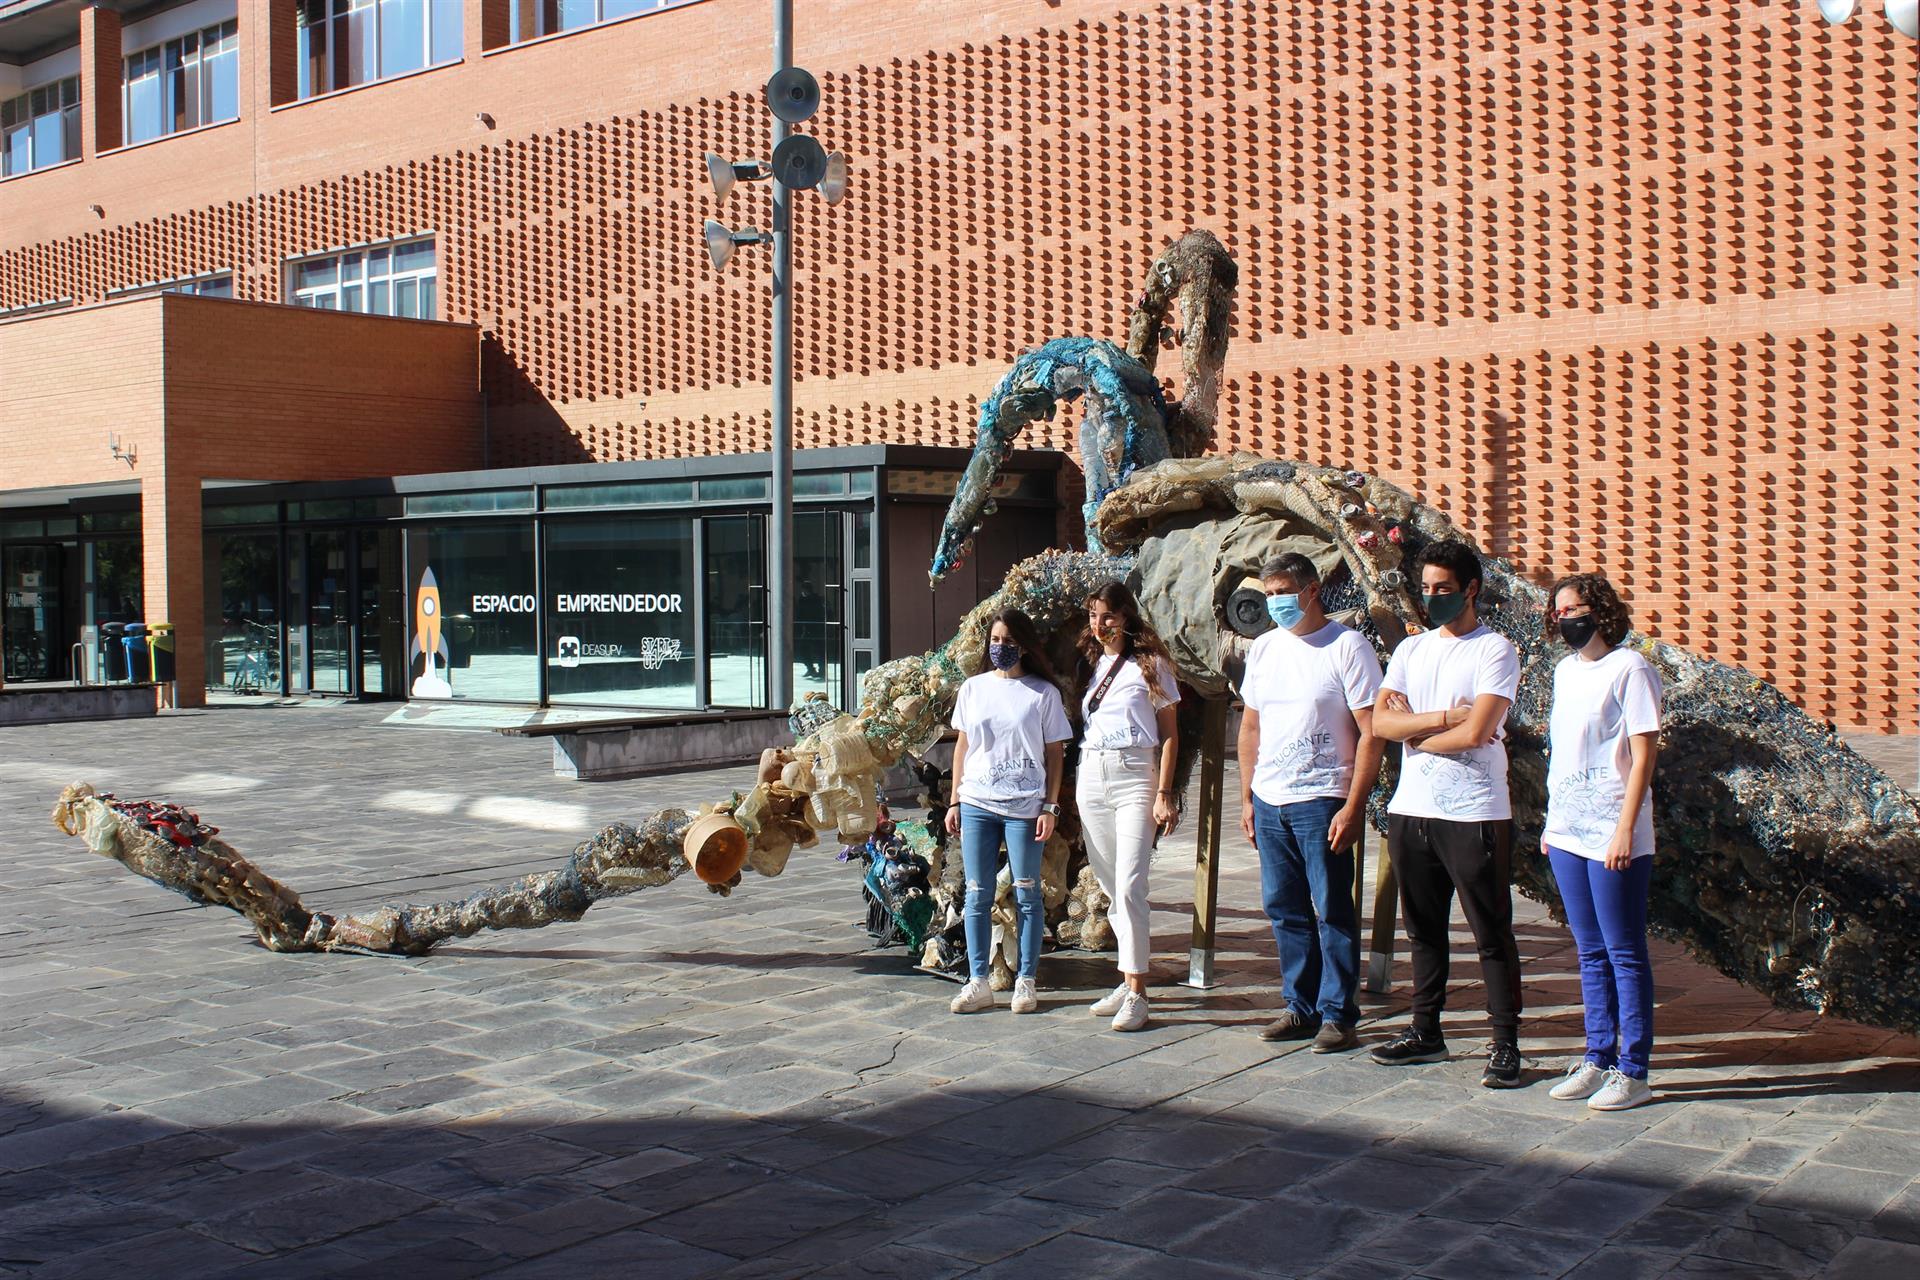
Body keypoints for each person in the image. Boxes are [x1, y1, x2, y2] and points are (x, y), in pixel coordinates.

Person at [1370, 539, 1526, 1088]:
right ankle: (1425, 1031)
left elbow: (1480, 729)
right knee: (1424, 930)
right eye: (1427, 589)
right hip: (1412, 810)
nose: (1433, 598)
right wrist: (1440, 721)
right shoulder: (1412, 651)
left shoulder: (1494, 650)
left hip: (1473, 811)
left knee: (1490, 932)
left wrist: (1422, 736)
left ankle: (1505, 1043)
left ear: (1471, 589)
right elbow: (1381, 726)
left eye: (1444, 589)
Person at [1237, 553, 1384, 1053]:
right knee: (1284, 909)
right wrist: (1248, 797)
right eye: (1268, 592)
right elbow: (1251, 727)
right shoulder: (1263, 650)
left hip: (1322, 799)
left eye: (1283, 592)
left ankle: (1338, 1013)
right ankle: (1299, 1006)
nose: (1274, 602)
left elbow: (1372, 732)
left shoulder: (1347, 647)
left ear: (1311, 590)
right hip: (1271, 798)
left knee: (1332, 910)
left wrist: (1353, 804)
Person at [1541, 573, 1662, 1112]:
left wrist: (1624, 829)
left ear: (1602, 611)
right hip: (1567, 830)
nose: (1569, 618)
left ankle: (1633, 1071)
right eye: (1560, 610)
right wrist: (1551, 824)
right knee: (1589, 952)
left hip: (1615, 833)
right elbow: (1563, 752)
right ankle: (1598, 1056)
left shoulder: (1630, 668)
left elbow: (1643, 756)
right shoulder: (1565, 672)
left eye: (1577, 607)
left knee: (1623, 952)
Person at [944, 608, 1071, 1015]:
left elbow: (1055, 754)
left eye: (1009, 641)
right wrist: (955, 799)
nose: (1001, 648)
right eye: (995, 641)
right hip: (977, 803)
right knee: (977, 895)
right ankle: (977, 981)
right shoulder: (973, 689)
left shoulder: (1042, 694)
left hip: (1025, 807)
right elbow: (963, 746)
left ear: (1026, 645)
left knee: (1028, 894)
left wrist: (1050, 806)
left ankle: (1026, 980)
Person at [1074, 581, 1181, 1032]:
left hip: (1136, 773)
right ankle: (1126, 975)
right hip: (1092, 774)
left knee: (1132, 881)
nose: (1101, 625)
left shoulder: (1151, 665)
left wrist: (1164, 792)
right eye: (1095, 616)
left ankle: (1138, 993)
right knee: (1110, 881)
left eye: (1109, 616)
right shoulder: (1093, 665)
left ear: (1126, 617)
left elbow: (1171, 731)